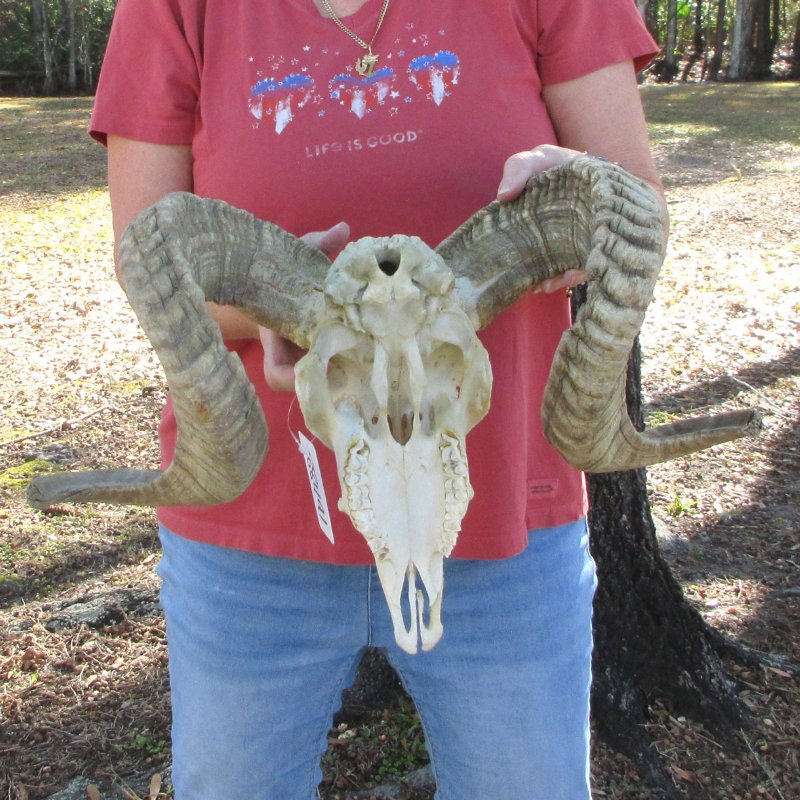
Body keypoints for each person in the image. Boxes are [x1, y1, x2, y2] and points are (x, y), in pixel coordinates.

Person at [89, 1, 664, 797]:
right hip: (253, 544)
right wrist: (277, 307)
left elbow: (635, 209)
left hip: (499, 522)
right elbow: (147, 260)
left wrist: (582, 202)